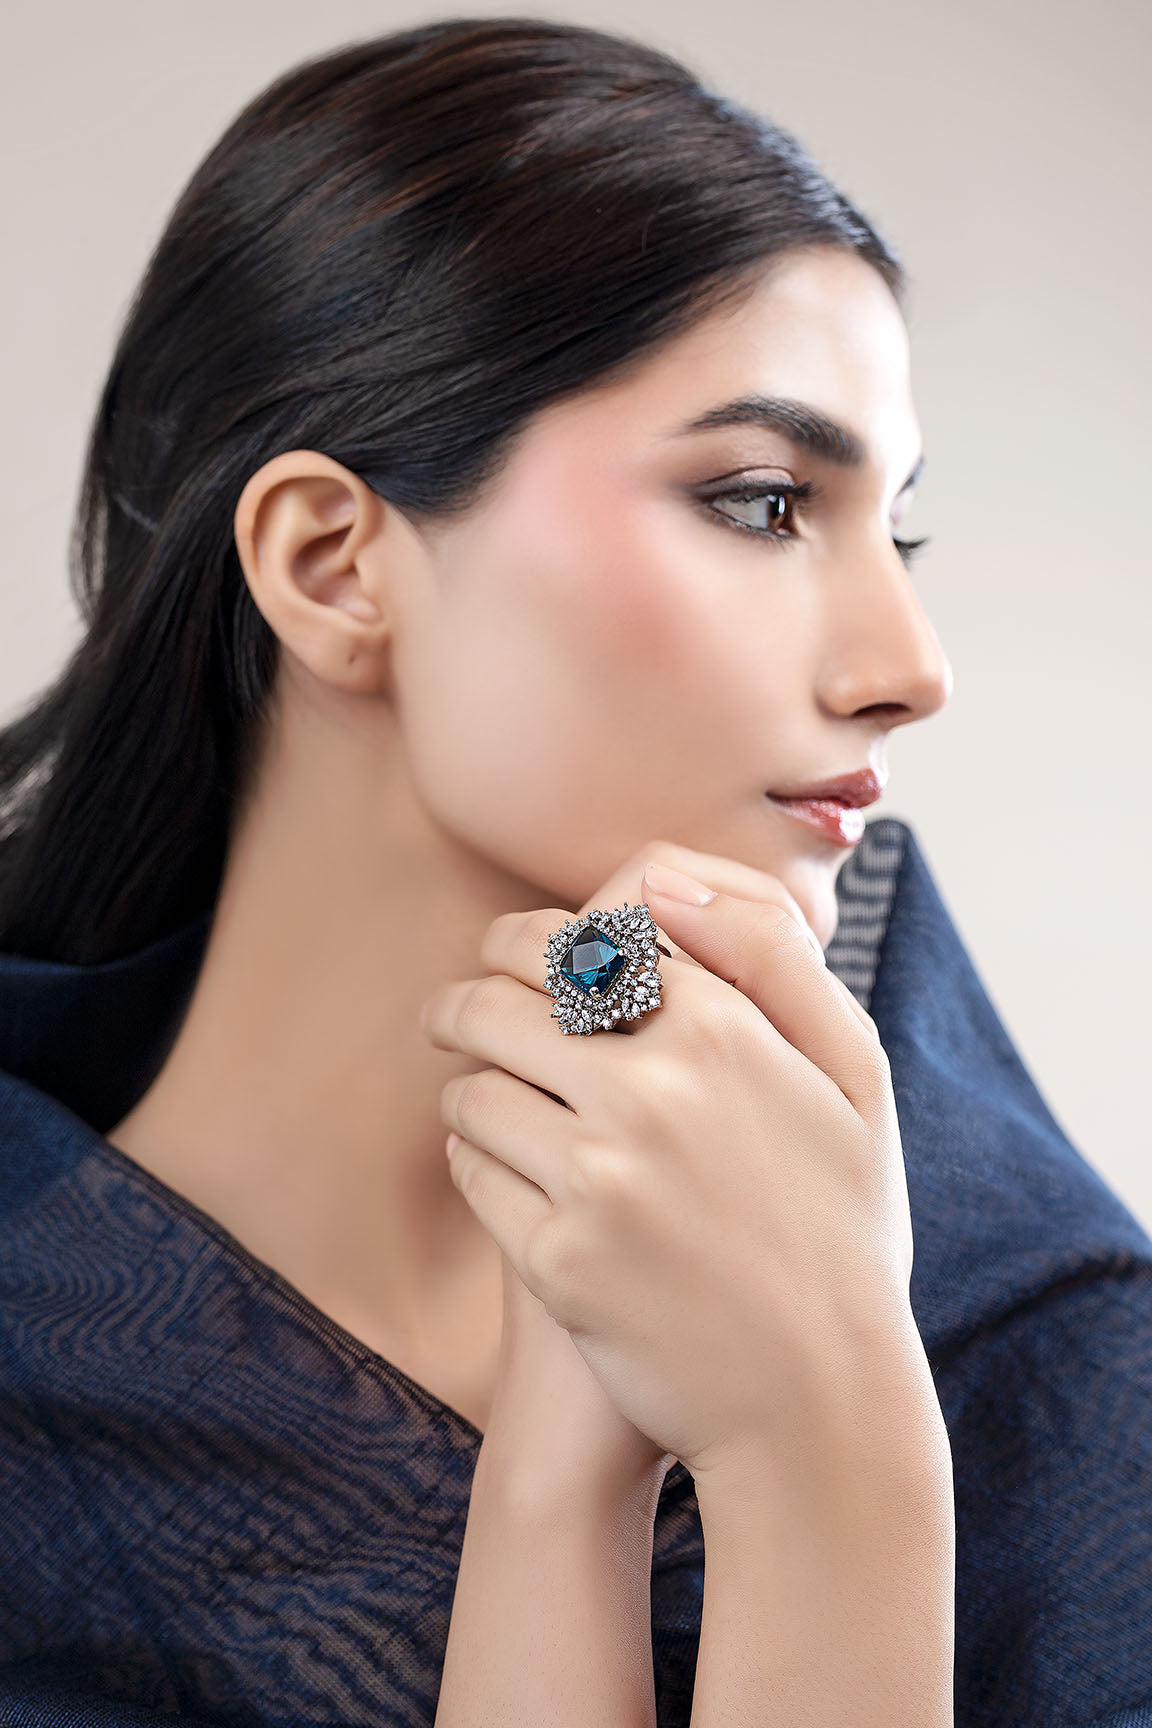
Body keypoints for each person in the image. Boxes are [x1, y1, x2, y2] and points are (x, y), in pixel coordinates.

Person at [0, 16, 1149, 1727]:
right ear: (333, 566)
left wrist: (824, 1427)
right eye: (761, 502)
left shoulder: (1025, 1316)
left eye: (896, 527)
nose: (911, 665)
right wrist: (573, 1469)